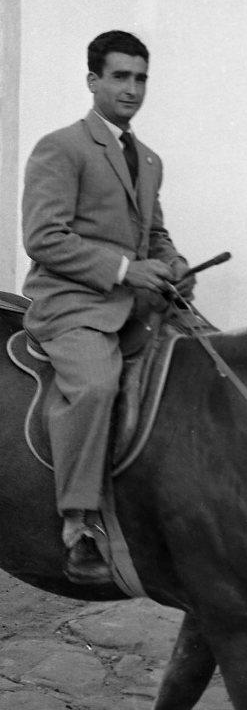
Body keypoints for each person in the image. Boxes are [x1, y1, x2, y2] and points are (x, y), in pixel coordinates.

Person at [22, 30, 194, 584]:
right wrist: (124, 270)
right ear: (93, 80)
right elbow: (43, 238)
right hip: (72, 306)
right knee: (96, 386)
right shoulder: (61, 147)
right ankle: (80, 524)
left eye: (141, 78)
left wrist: (175, 265)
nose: (133, 88)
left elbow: (156, 236)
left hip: (138, 302)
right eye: (120, 76)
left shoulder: (148, 159)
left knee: (210, 358)